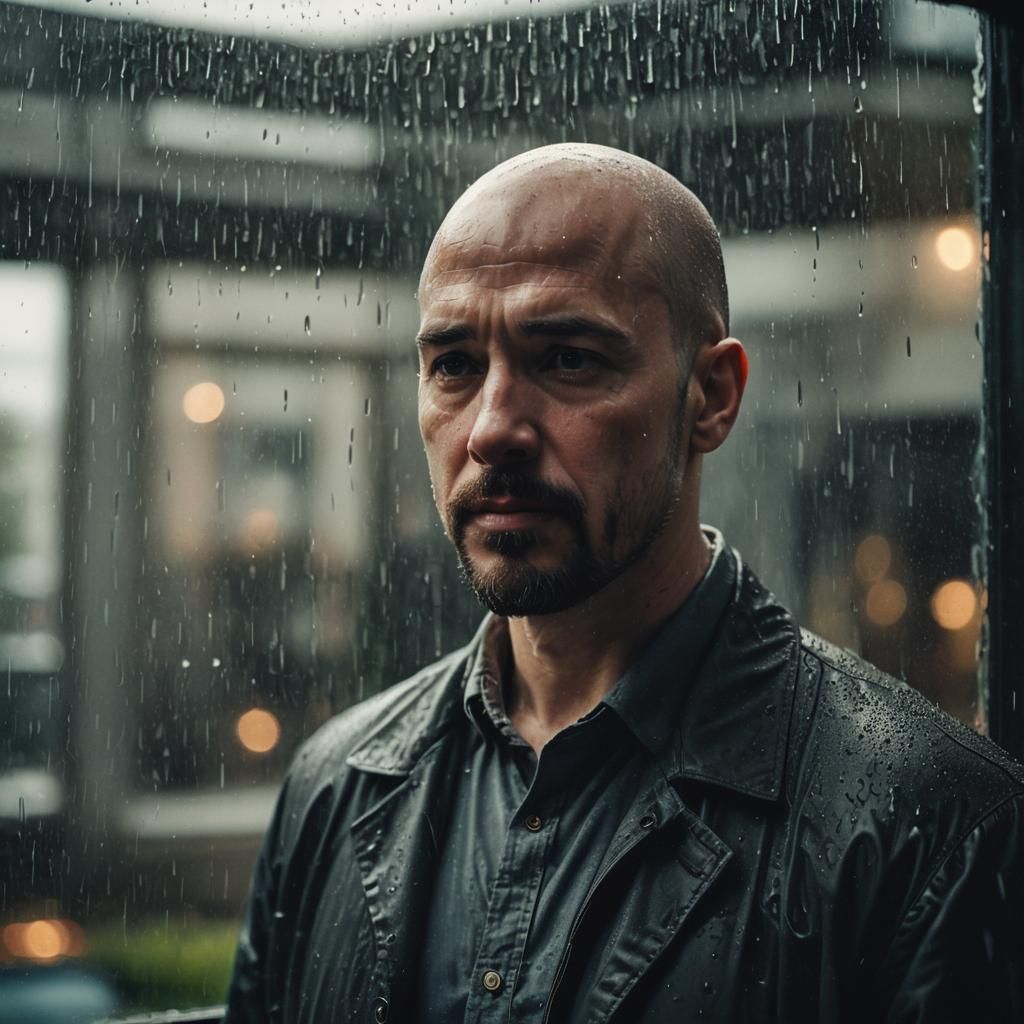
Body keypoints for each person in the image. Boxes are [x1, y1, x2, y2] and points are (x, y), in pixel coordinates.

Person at [224, 144, 1024, 1023]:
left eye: (568, 359)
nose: (491, 429)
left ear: (711, 396)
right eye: (453, 364)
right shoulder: (333, 788)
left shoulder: (934, 826)